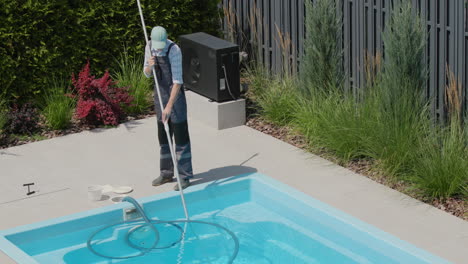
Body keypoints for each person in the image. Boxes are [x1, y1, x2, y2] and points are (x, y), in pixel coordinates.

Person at [143, 26, 192, 191]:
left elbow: (177, 81)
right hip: (159, 95)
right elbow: (147, 74)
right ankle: (166, 173)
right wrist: (150, 66)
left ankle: (184, 176)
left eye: (161, 44)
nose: (159, 47)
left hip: (175, 98)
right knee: (163, 138)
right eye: (157, 44)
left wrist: (169, 106)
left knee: (181, 138)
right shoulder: (149, 47)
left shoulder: (174, 50)